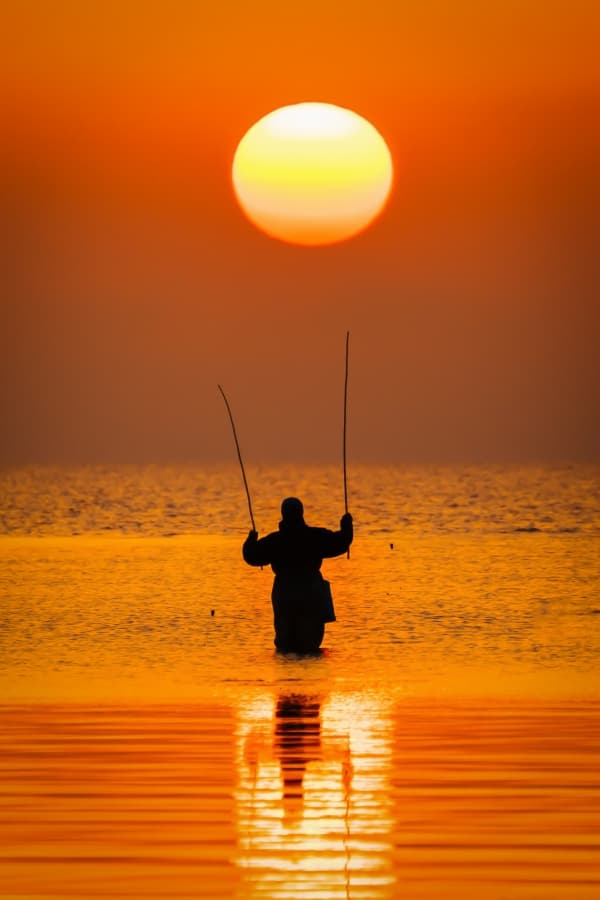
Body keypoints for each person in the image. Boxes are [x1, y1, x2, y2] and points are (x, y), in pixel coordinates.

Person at [243, 497, 353, 653]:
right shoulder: (315, 537)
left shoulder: (275, 541)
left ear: (283, 514)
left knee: (285, 642)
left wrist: (250, 540)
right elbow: (341, 542)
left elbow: (251, 555)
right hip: (311, 590)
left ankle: (288, 663)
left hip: (284, 591)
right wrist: (346, 526)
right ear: (301, 513)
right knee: (310, 642)